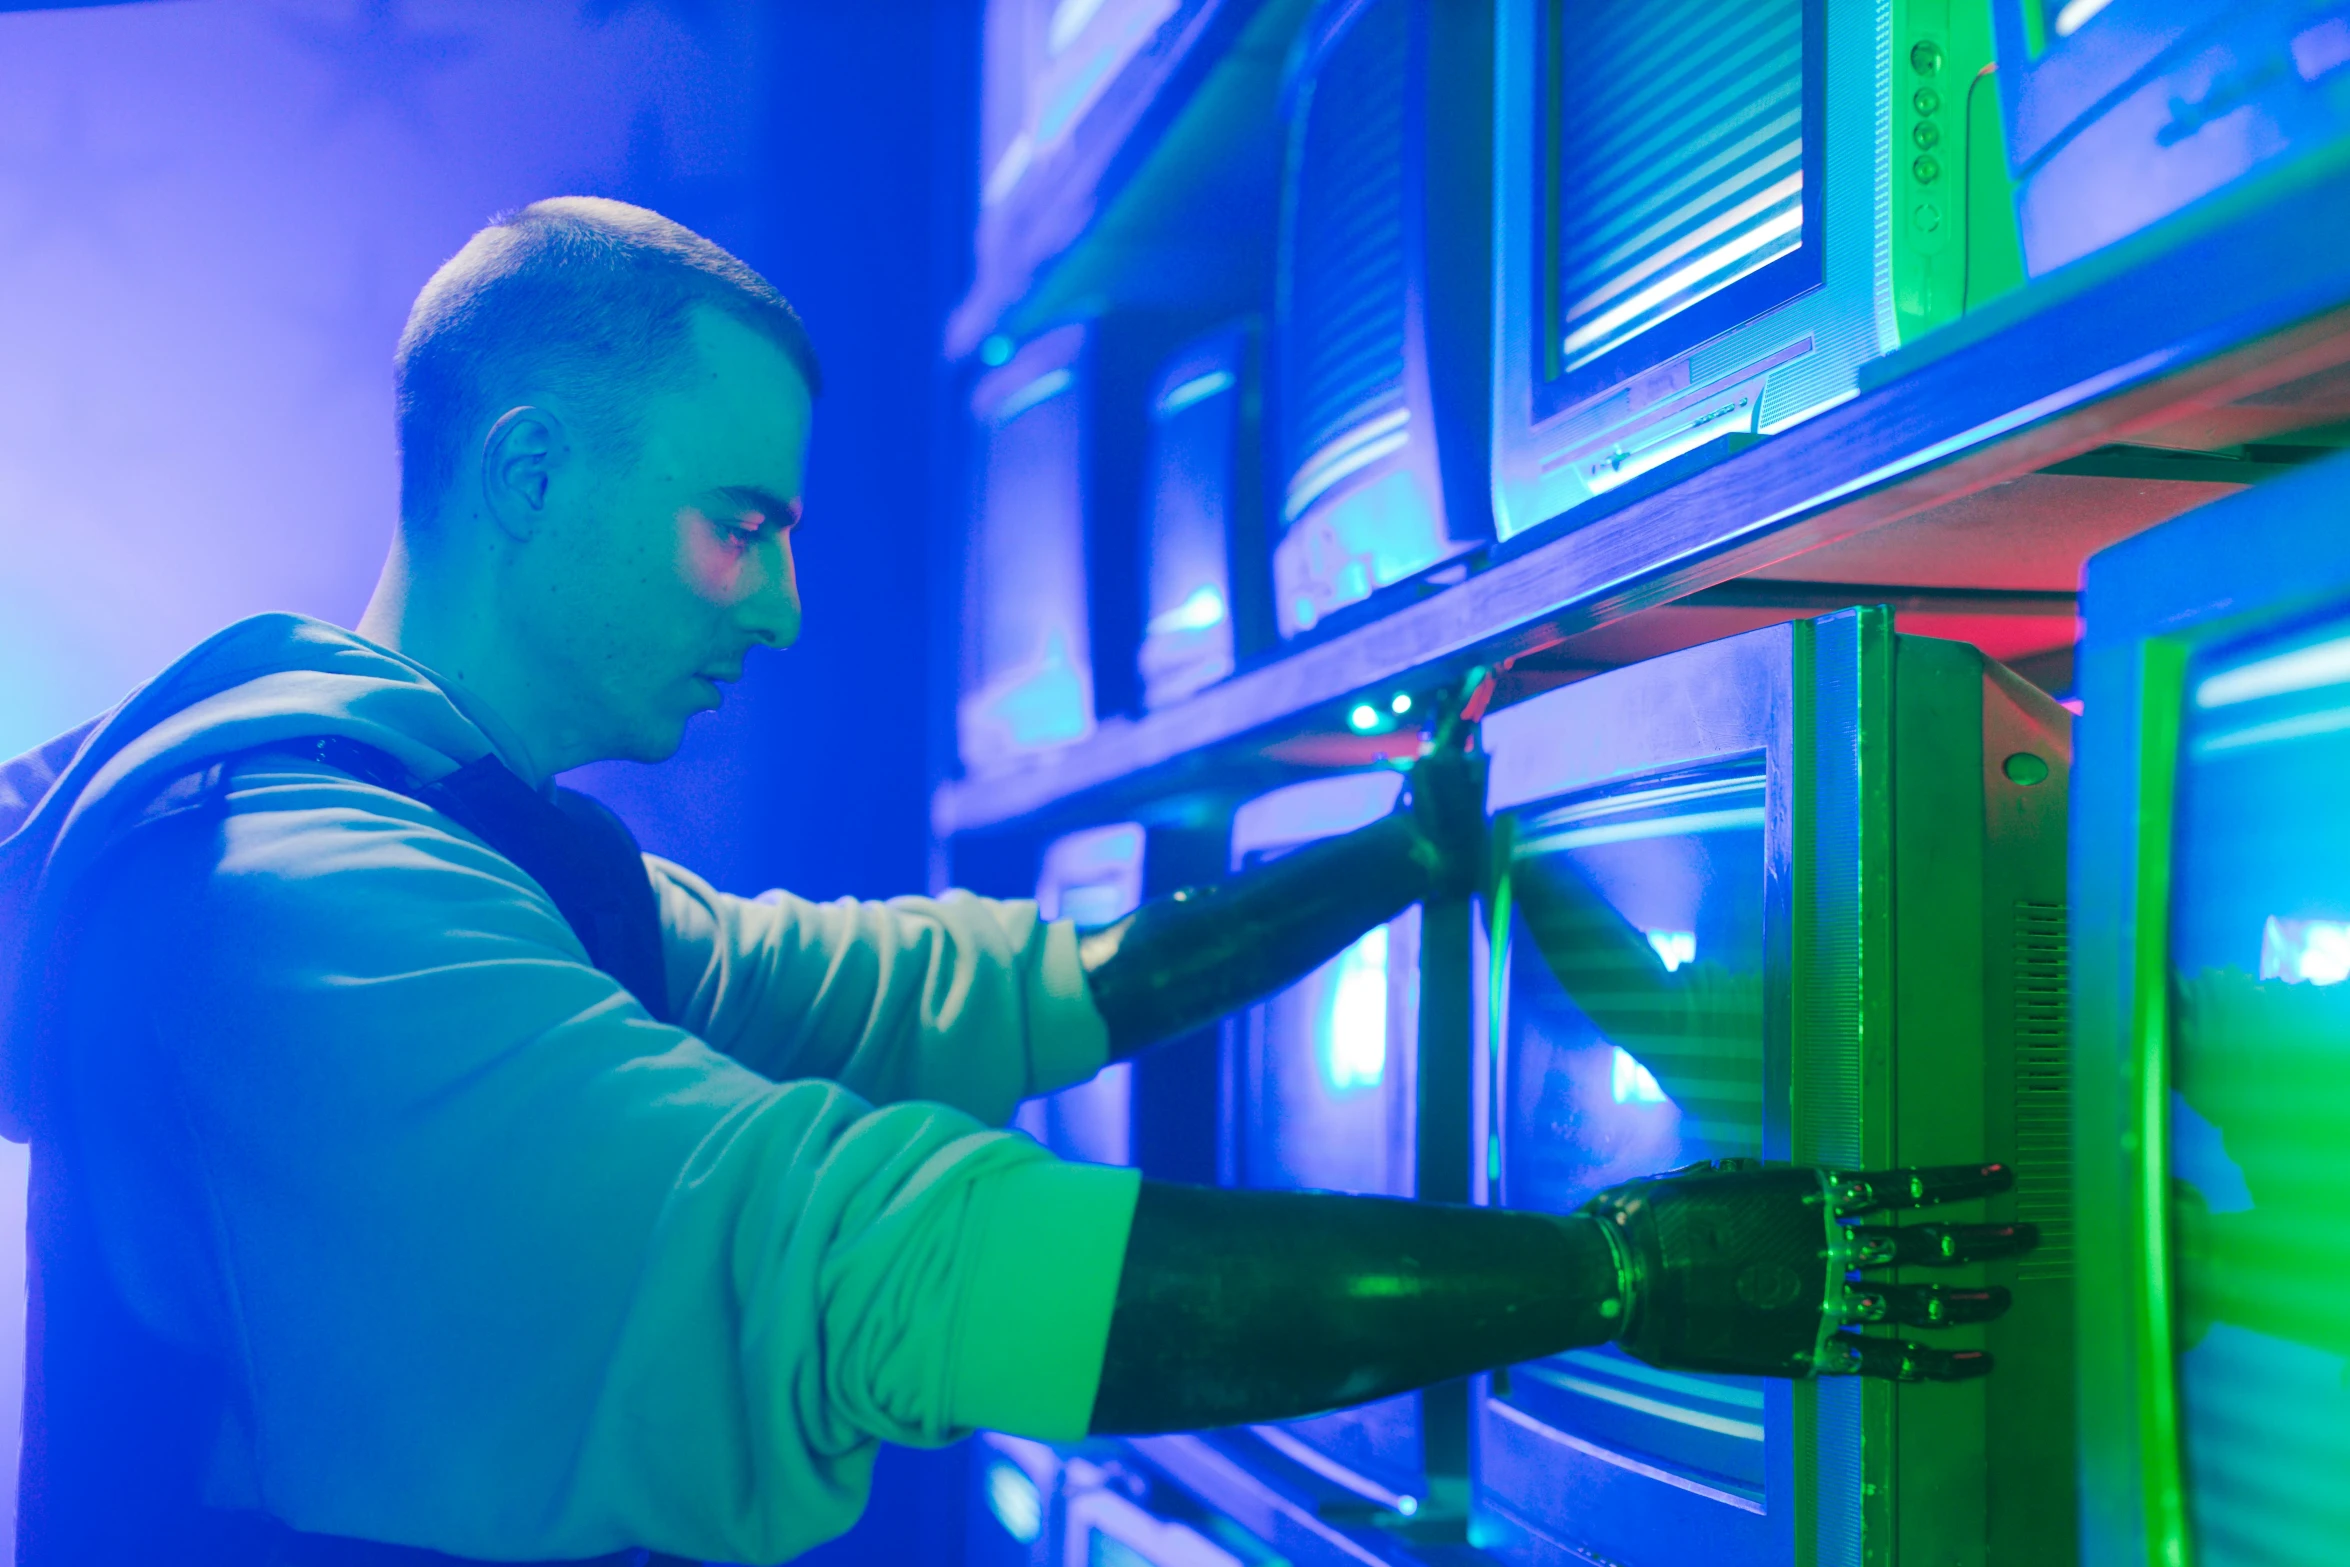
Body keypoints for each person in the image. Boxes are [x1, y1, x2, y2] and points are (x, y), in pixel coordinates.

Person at [0, 199, 2027, 1567]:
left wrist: (1397, 855)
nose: (784, 608)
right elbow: (861, 1261)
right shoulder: (297, 905)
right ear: (527, 473)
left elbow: (906, 994)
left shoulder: (426, 804)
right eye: (738, 526)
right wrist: (1611, 1276)